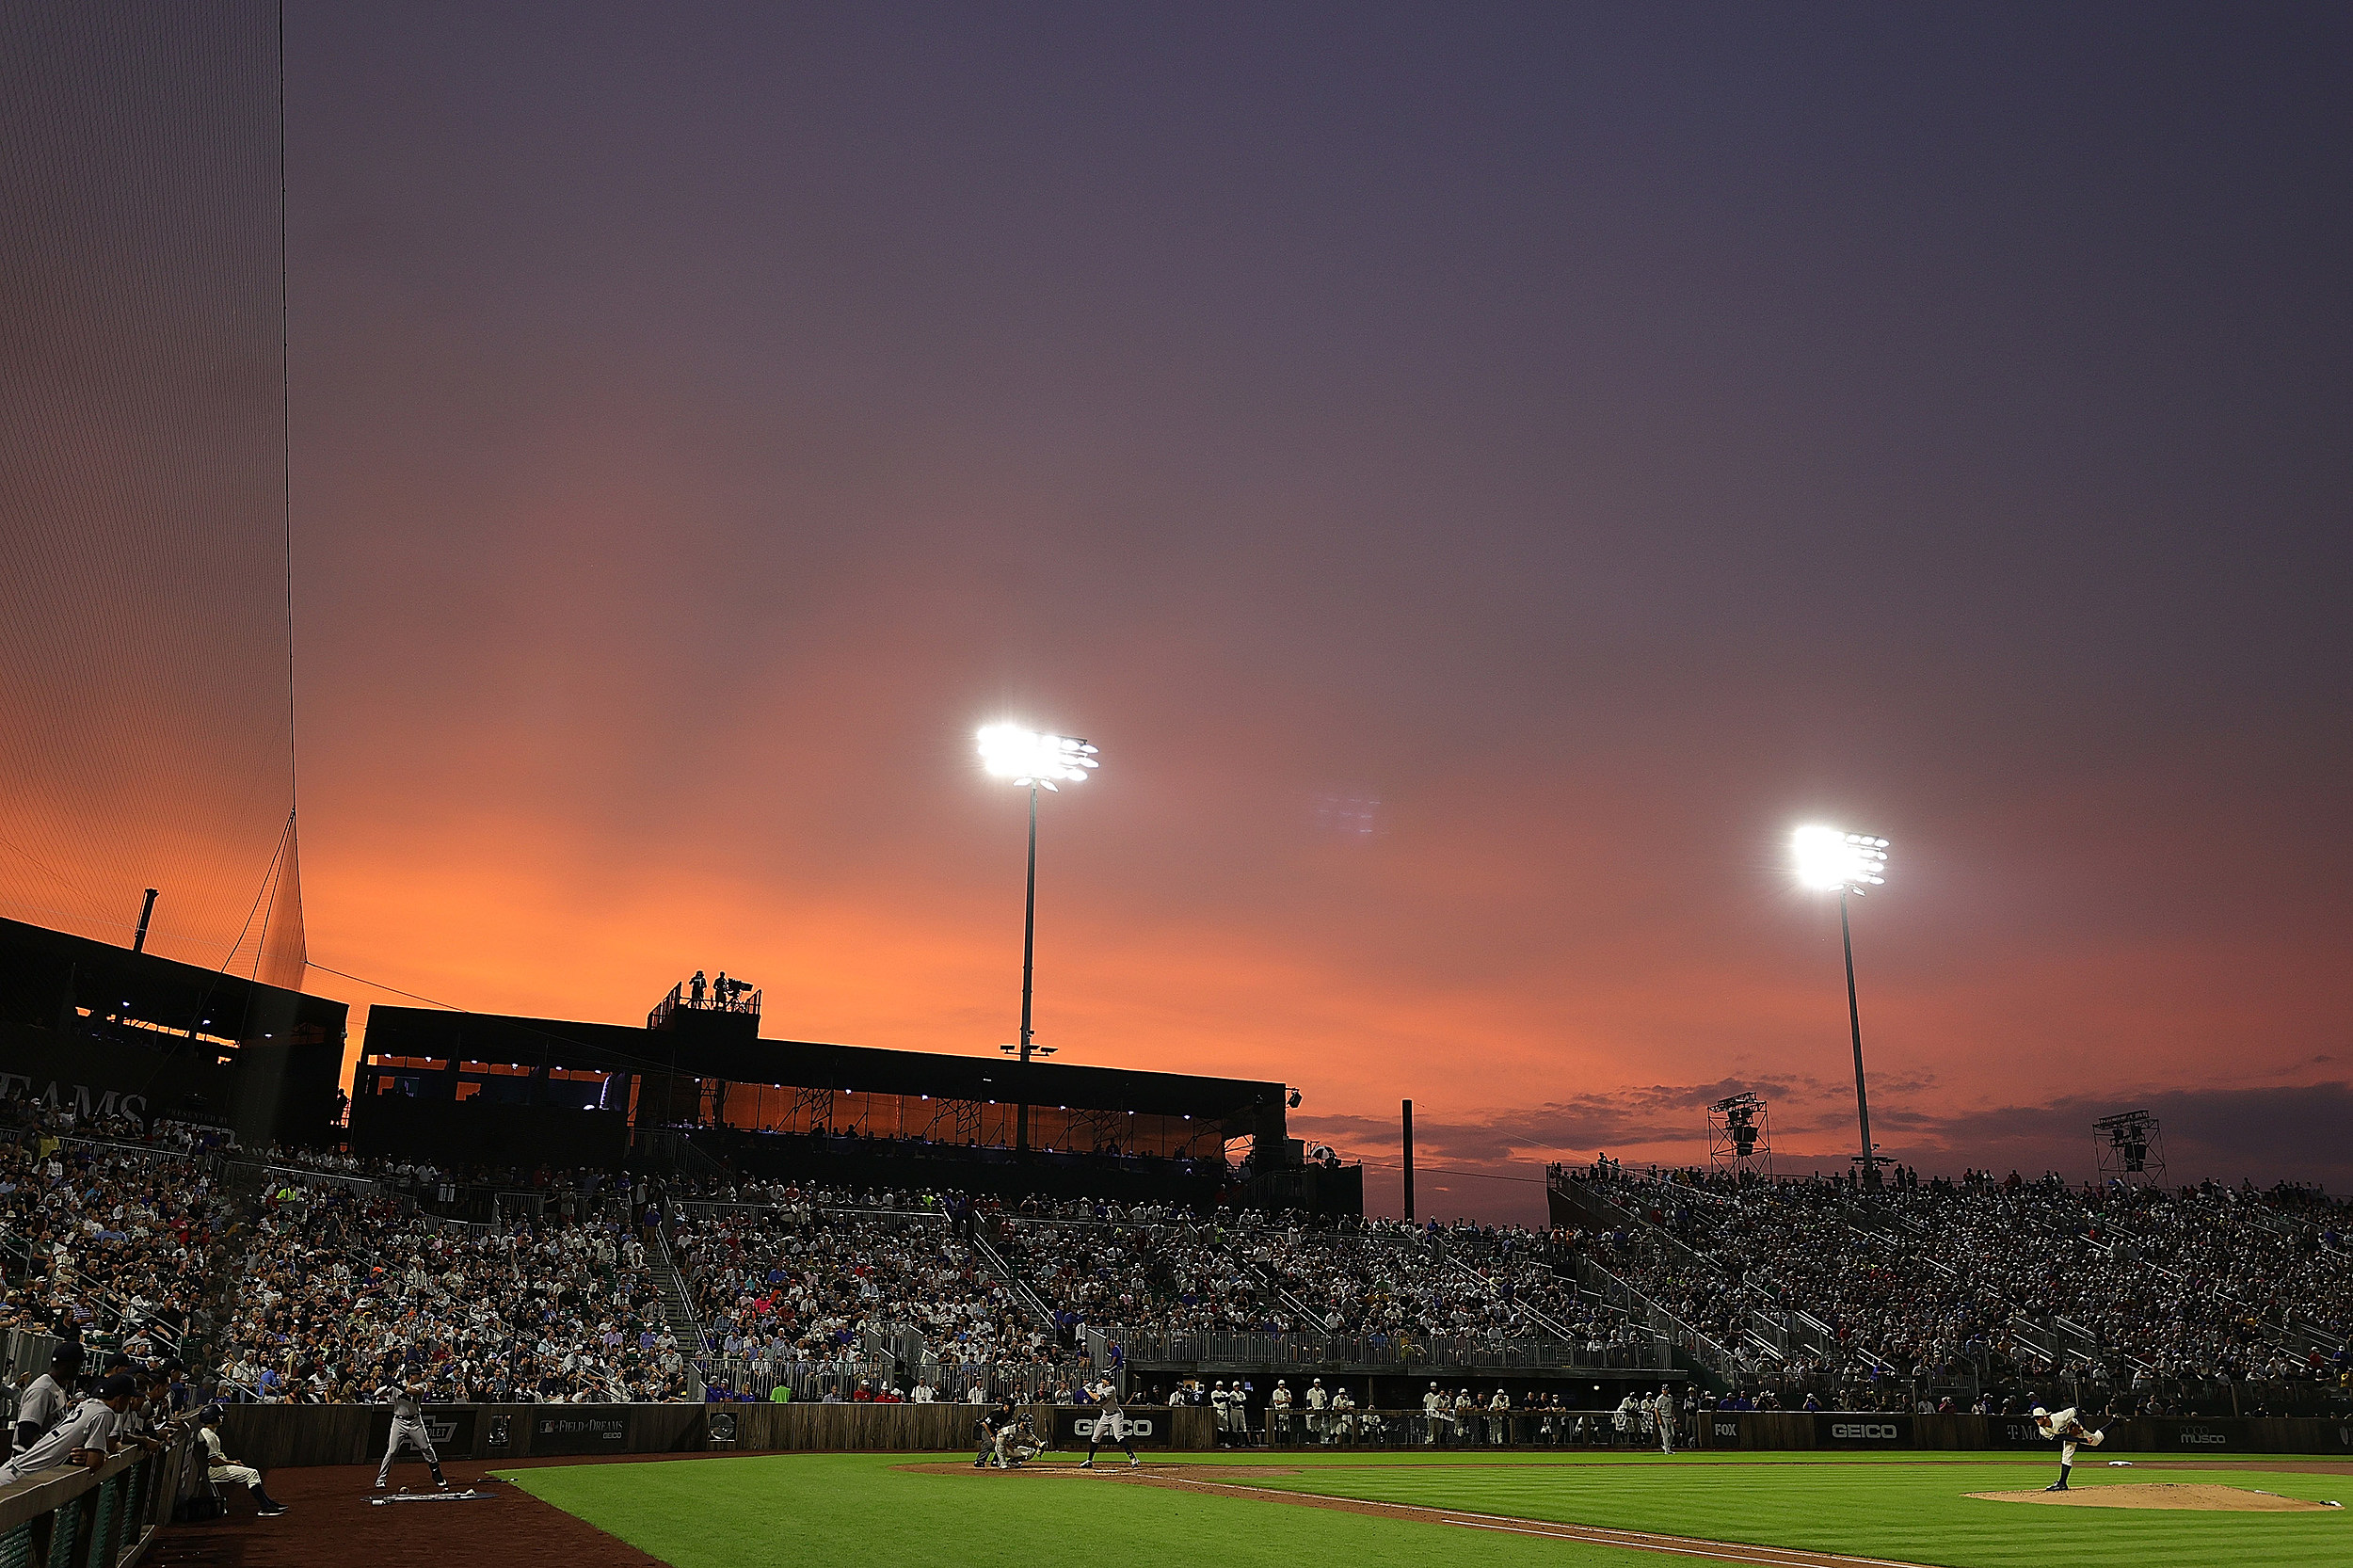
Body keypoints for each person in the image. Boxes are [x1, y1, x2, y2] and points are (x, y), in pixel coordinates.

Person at [0, 1375, 135, 1488]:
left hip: (14, 1469)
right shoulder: (104, 1413)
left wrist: (84, 1454)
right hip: (18, 1480)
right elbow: (94, 1463)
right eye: (129, 1398)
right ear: (120, 1398)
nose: (129, 1403)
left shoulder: (87, 1404)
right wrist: (102, 1455)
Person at [196, 1407, 287, 1516]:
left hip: (210, 1468)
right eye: (219, 1416)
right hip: (211, 1470)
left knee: (252, 1473)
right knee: (251, 1473)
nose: (222, 1418)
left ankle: (269, 1503)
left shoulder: (207, 1432)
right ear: (212, 1418)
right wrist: (232, 1463)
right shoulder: (208, 1435)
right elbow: (214, 1460)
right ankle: (265, 1507)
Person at [374, 1371, 449, 1492]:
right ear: (411, 1375)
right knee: (392, 1451)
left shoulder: (422, 1385)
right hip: (399, 1421)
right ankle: (381, 1479)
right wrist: (388, 1385)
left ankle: (436, 1473)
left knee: (426, 1447)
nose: (421, 1376)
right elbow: (376, 1393)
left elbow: (415, 1392)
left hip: (415, 1421)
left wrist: (398, 1386)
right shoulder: (397, 1385)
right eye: (418, 1374)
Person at [14, 1350, 78, 1453]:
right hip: (28, 1460)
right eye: (77, 1366)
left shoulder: (57, 1388)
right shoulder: (42, 1390)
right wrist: (54, 1451)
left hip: (42, 1458)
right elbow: (26, 1435)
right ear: (68, 1366)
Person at [2032, 1405, 2105, 1491]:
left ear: (2045, 1417)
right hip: (2068, 1435)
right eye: (2035, 1418)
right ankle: (2062, 1483)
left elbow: (2077, 1410)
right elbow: (2062, 1438)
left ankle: (2114, 1422)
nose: (2036, 1420)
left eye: (2037, 1418)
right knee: (2066, 1455)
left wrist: (2083, 1426)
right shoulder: (2043, 1431)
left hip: (2076, 1427)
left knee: (2095, 1441)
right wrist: (2083, 1440)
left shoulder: (2060, 1417)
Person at [1080, 1378, 1138, 1469]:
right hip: (1105, 1415)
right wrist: (1091, 1388)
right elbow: (1095, 1395)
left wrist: (1087, 1390)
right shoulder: (1098, 1386)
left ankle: (1133, 1459)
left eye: (1109, 1379)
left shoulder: (1111, 1389)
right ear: (1102, 1379)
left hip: (1116, 1415)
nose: (1108, 1381)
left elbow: (1098, 1398)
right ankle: (1089, 1461)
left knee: (1119, 1437)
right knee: (1095, 1437)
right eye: (1106, 1379)